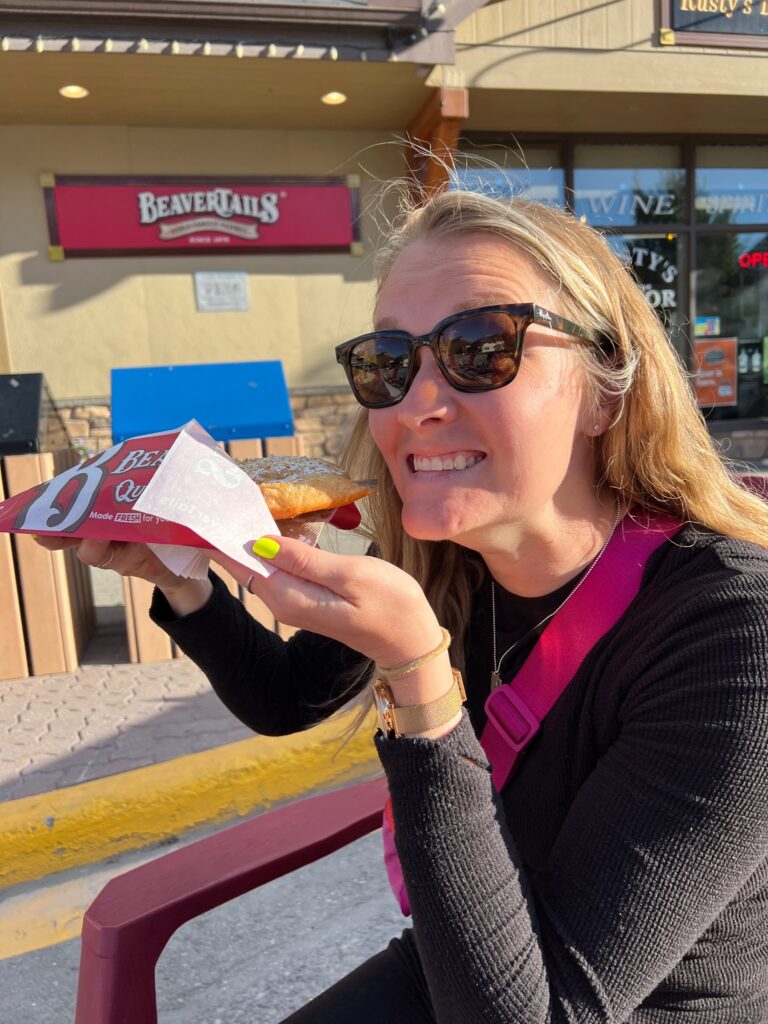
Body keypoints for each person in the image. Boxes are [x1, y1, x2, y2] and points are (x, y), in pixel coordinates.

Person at [38, 189, 768, 1022]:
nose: (418, 403)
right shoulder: (444, 559)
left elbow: (539, 1013)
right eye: (390, 360)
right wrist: (185, 582)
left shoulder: (732, 635)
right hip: (469, 957)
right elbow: (289, 696)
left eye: (481, 347)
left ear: (606, 391)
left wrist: (419, 679)